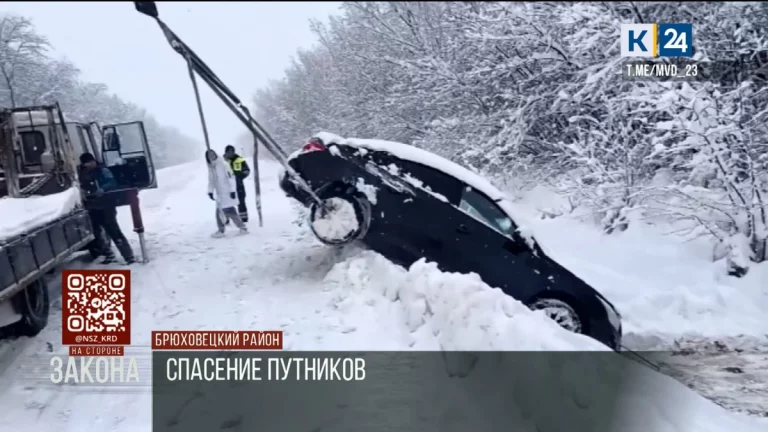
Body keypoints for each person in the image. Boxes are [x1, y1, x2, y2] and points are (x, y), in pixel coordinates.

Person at [78, 152, 136, 265]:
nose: (90, 164)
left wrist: (103, 189)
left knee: (113, 230)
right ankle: (107, 254)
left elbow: (112, 182)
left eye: (91, 162)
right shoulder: (82, 173)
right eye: (87, 163)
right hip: (92, 206)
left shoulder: (102, 170)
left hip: (106, 205)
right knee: (96, 233)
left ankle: (128, 256)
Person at [206, 148, 248, 238]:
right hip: (219, 193)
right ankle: (241, 227)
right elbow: (211, 181)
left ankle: (223, 230)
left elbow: (231, 177)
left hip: (227, 192)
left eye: (213, 154)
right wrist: (210, 191)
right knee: (226, 211)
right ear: (207, 157)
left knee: (224, 211)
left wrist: (232, 190)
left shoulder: (223, 164)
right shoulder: (211, 167)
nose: (212, 156)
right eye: (209, 155)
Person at [223, 145, 250, 223]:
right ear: (226, 152)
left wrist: (239, 177)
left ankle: (243, 218)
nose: (231, 153)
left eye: (232, 151)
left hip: (238, 184)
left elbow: (247, 170)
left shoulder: (239, 159)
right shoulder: (222, 161)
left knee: (241, 200)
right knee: (226, 202)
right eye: (229, 151)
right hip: (226, 185)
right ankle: (226, 218)